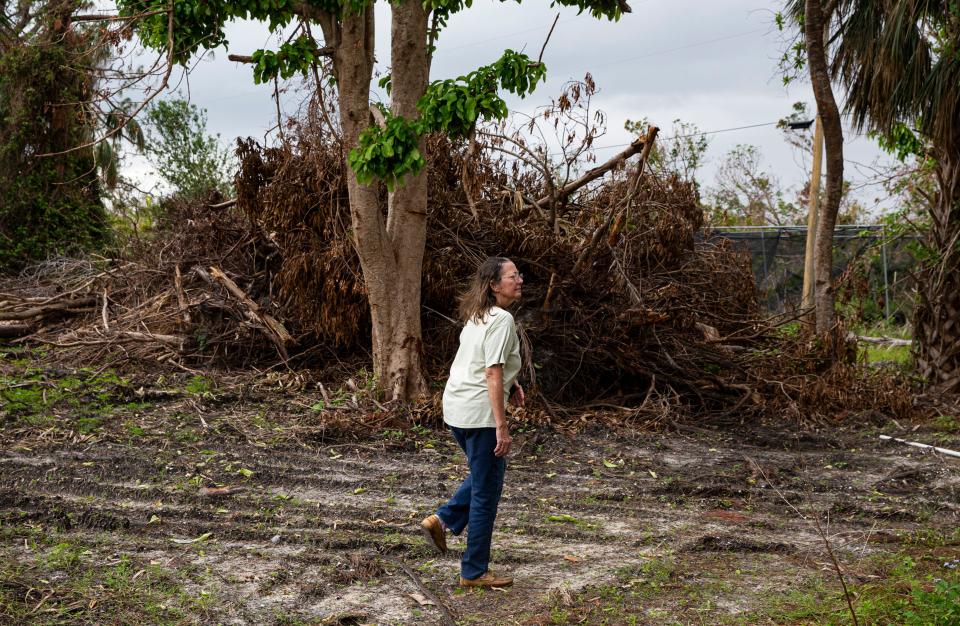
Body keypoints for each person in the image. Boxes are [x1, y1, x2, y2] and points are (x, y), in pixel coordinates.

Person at [421, 256, 525, 588]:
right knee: (486, 492)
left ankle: (443, 519)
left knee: (485, 477)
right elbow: (491, 371)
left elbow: (483, 362)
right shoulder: (502, 319)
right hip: (479, 415)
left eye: (518, 275)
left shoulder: (478, 316)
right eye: (513, 276)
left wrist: (513, 383)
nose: (519, 280)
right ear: (494, 285)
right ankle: (474, 571)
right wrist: (501, 424)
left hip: (456, 408)